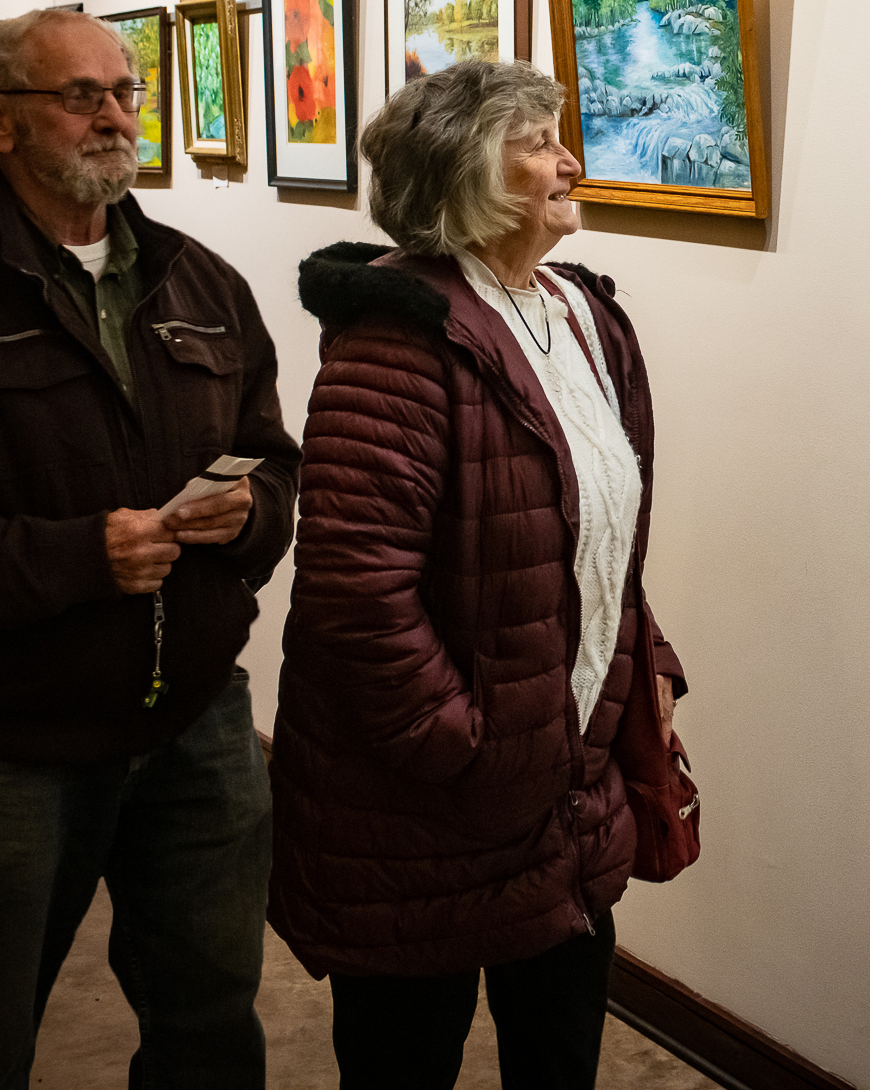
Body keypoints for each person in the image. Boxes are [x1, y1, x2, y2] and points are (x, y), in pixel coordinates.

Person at [0, 7, 299, 1089]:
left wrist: (252, 513)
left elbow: (275, 459)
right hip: (10, 741)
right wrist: (84, 556)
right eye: (80, 94)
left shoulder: (203, 284)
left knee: (211, 1014)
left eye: (127, 91)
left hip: (197, 721)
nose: (115, 116)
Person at [269, 59, 689, 1090]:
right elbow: (352, 594)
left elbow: (598, 540)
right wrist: (469, 744)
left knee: (557, 1063)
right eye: (538, 140)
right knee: (403, 1063)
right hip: (421, 814)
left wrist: (649, 661)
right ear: (465, 171)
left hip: (569, 791)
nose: (569, 160)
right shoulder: (396, 340)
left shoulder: (588, 317)